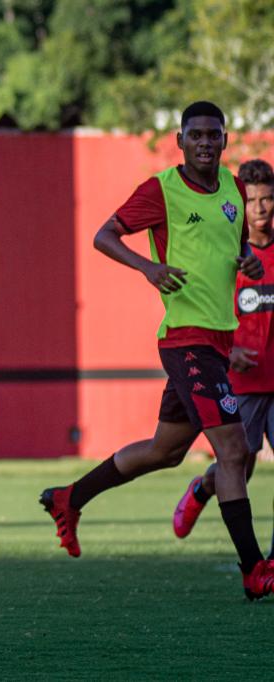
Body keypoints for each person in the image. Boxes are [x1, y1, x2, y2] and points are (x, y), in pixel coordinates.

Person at [39, 102, 274, 600]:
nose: (206, 142)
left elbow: (234, 250)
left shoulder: (232, 189)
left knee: (165, 451)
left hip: (218, 337)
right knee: (233, 451)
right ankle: (255, 569)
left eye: (214, 134)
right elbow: (104, 235)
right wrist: (148, 268)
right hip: (187, 340)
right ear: (181, 139)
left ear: (225, 140)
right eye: (196, 135)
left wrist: (248, 264)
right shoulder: (160, 189)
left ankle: (69, 497)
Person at [171, 158, 274, 556]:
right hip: (243, 384)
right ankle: (201, 488)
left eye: (268, 199)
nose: (261, 209)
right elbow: (204, 312)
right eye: (253, 201)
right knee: (239, 468)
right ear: (240, 207)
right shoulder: (225, 254)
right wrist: (230, 353)